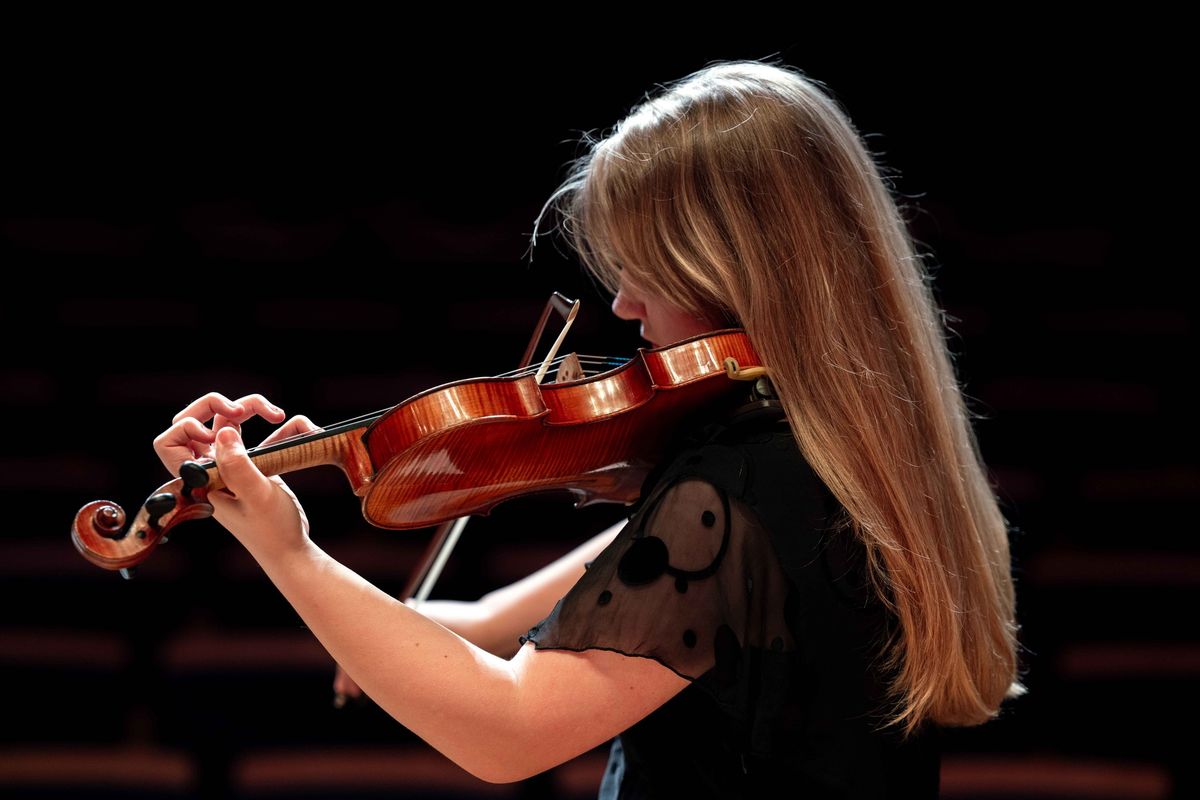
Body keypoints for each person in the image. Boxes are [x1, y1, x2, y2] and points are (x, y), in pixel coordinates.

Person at [153, 58, 1023, 797]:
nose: (622, 304)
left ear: (735, 271)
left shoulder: (734, 495)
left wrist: (289, 551)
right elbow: (490, 621)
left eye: (647, 269)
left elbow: (510, 728)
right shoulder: (846, 460)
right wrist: (318, 514)